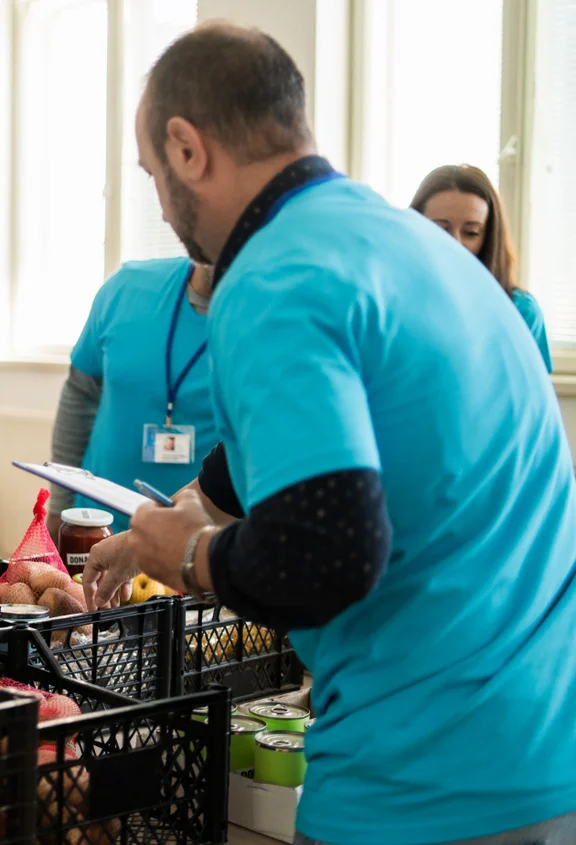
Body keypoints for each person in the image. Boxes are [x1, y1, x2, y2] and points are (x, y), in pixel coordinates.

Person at [82, 22, 576, 845]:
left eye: (152, 177)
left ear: (186, 147)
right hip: (543, 752)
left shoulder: (270, 278)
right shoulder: (412, 248)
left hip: (418, 777)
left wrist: (188, 556)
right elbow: (332, 434)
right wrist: (174, 514)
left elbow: (329, 552)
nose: (161, 207)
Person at [47, 258, 219, 538]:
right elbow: (80, 395)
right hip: (95, 528)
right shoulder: (125, 287)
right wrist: (59, 504)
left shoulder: (271, 320)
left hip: (201, 547)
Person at [411, 164, 551, 371]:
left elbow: (533, 399)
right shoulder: (389, 301)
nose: (455, 243)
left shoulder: (520, 310)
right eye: (439, 228)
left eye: (471, 232)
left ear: (488, 239)